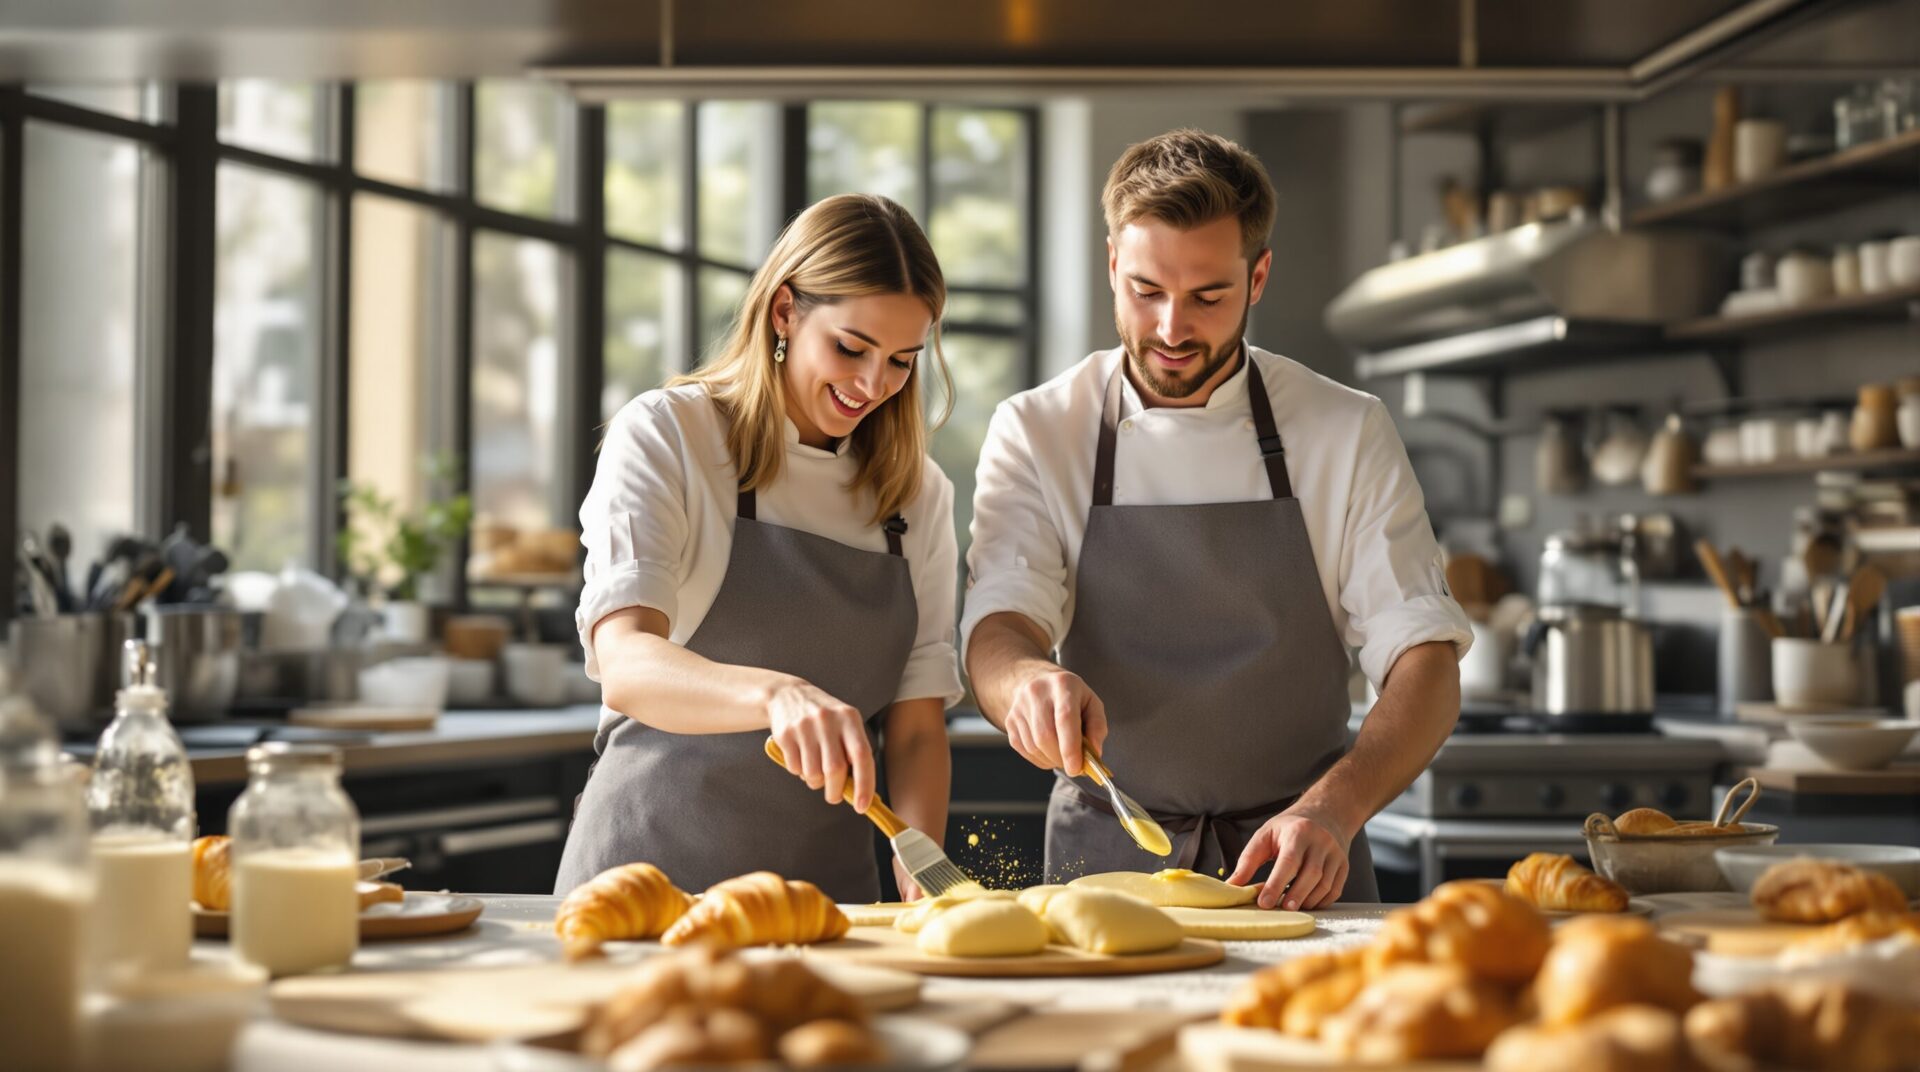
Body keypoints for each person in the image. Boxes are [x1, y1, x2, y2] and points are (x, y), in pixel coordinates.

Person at [961, 129, 1471, 909]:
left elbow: (1424, 661)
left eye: (1208, 296)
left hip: (1302, 865)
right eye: (1145, 291)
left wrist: (1334, 809)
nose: (1171, 328)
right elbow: (1002, 623)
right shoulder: (1039, 428)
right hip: (1109, 861)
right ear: (1110, 266)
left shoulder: (1343, 428)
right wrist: (1024, 681)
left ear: (1258, 276)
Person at [555, 193, 963, 903]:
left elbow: (918, 723)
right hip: (648, 884)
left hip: (826, 902)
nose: (874, 385)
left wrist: (920, 866)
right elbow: (625, 663)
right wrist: (777, 693)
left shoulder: (915, 493)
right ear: (784, 312)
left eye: (902, 360)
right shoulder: (671, 435)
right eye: (850, 347)